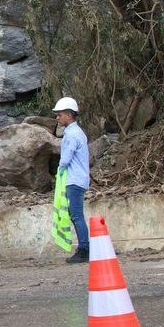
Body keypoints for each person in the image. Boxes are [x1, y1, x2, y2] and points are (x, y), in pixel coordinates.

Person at [55, 97, 90, 264]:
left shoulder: (72, 134)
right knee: (75, 214)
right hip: (78, 179)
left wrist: (59, 172)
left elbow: (65, 159)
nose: (57, 118)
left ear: (69, 115)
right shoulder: (77, 132)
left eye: (59, 115)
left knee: (76, 215)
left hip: (74, 180)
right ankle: (84, 247)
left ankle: (84, 249)